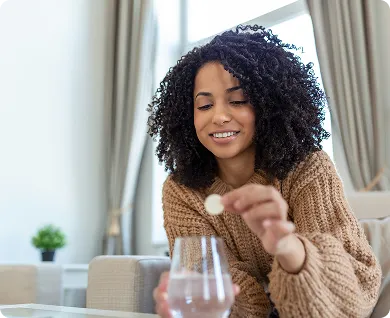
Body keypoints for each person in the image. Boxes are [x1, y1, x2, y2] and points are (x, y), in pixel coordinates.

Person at [147, 25, 381, 317]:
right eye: (205, 105)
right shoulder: (182, 190)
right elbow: (227, 296)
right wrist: (198, 302)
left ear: (269, 105)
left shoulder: (309, 168)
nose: (219, 116)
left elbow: (352, 298)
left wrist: (288, 246)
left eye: (238, 100)